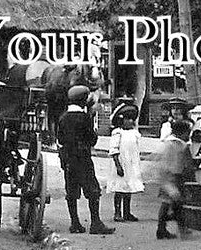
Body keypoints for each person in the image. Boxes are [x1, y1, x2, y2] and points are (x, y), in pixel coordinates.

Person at [57, 85, 115, 235]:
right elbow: (92, 140)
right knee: (93, 190)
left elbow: (61, 139)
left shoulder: (63, 118)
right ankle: (95, 223)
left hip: (69, 160)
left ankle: (75, 223)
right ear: (83, 101)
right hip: (83, 159)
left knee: (71, 192)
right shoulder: (84, 118)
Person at [153, 119, 194, 239]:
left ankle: (162, 228)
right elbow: (187, 163)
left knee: (168, 202)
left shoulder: (168, 142)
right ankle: (181, 228)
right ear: (182, 133)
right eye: (187, 133)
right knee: (176, 203)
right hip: (174, 176)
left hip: (165, 175)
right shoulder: (180, 145)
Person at [108, 104, 143, 221]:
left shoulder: (134, 133)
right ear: (121, 120)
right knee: (120, 188)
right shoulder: (118, 133)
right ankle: (117, 213)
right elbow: (114, 150)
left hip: (131, 165)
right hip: (121, 164)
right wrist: (118, 165)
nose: (131, 121)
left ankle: (127, 212)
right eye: (128, 119)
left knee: (128, 189)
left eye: (132, 119)